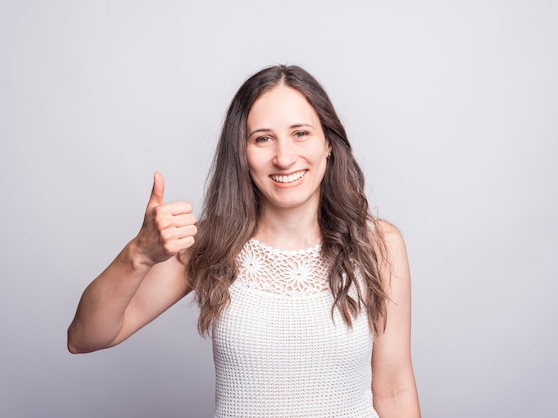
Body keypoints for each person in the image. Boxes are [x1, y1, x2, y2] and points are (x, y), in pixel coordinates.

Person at [67, 65, 420, 417]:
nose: (284, 158)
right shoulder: (210, 243)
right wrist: (138, 256)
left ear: (328, 142)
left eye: (300, 133)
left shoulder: (378, 244)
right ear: (242, 152)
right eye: (263, 138)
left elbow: (393, 390)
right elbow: (85, 337)